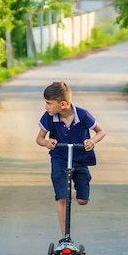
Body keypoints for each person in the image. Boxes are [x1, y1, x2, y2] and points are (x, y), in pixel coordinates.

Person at [36, 81, 106, 242]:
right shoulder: (49, 117)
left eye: (48, 103)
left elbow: (101, 131)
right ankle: (65, 238)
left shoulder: (83, 115)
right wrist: (47, 143)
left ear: (63, 104)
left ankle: (73, 194)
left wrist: (93, 140)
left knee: (82, 200)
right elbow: (39, 138)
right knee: (61, 197)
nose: (46, 107)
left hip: (81, 159)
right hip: (59, 159)